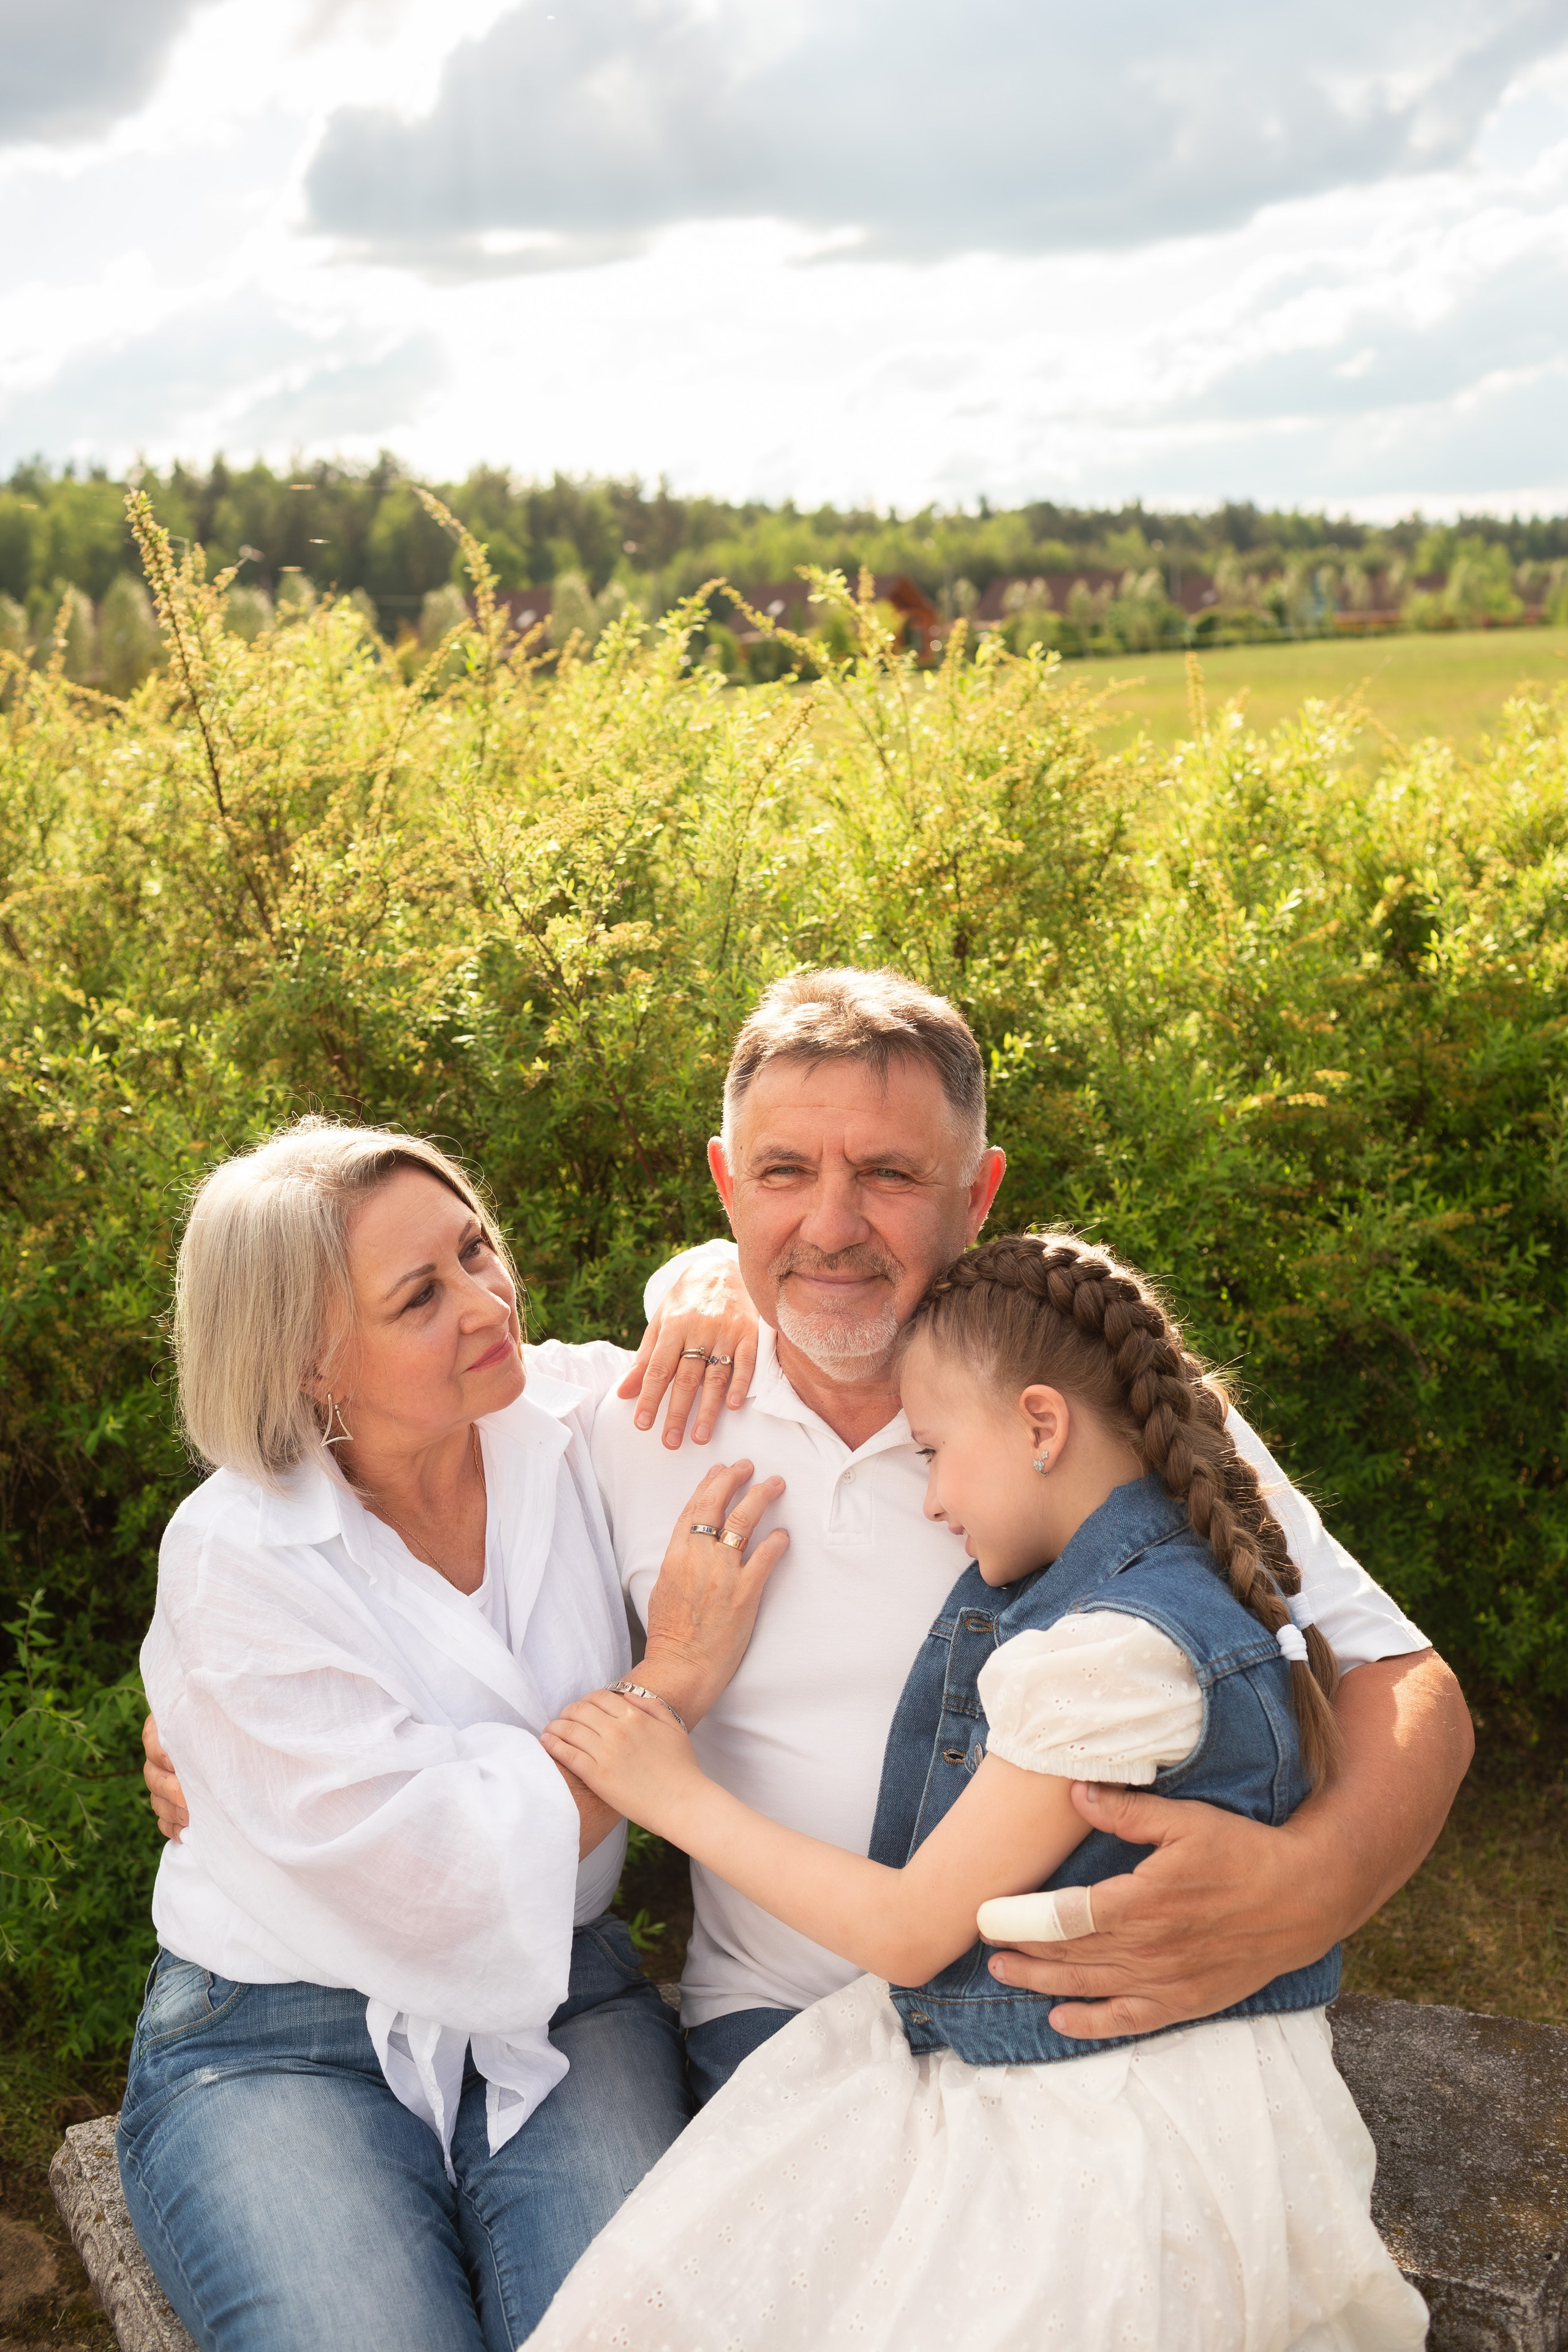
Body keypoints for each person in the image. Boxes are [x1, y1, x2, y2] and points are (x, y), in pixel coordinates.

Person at [143, 970, 1473, 2094]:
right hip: (778, 2033)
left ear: (979, 1189)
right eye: (784, 1172)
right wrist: (217, 1726)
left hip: (1089, 2021)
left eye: (889, 1175)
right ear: (725, 1183)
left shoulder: (1088, 1410)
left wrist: (1315, 1883)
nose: (829, 1227)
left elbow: (1397, 1680)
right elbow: (399, 1558)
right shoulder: (628, 1421)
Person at [532, 1232, 1432, 2351]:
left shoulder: (1113, 1655)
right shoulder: (1161, 1571)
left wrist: (666, 1789)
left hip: (1108, 2119)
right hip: (1084, 2066)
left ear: (1042, 1426)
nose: (932, 1499)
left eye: (935, 1453)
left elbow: (911, 1931)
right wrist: (699, 1269)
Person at [118, 1119, 774, 2352]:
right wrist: (668, 1684)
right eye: (421, 1295)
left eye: (477, 1250)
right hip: (282, 2029)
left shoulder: (569, 1423)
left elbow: (756, 1328)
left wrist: (713, 1275)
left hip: (561, 1995)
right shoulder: (235, 1554)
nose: (487, 1302)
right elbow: (439, 1866)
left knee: (628, 2334)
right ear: (309, 1358)